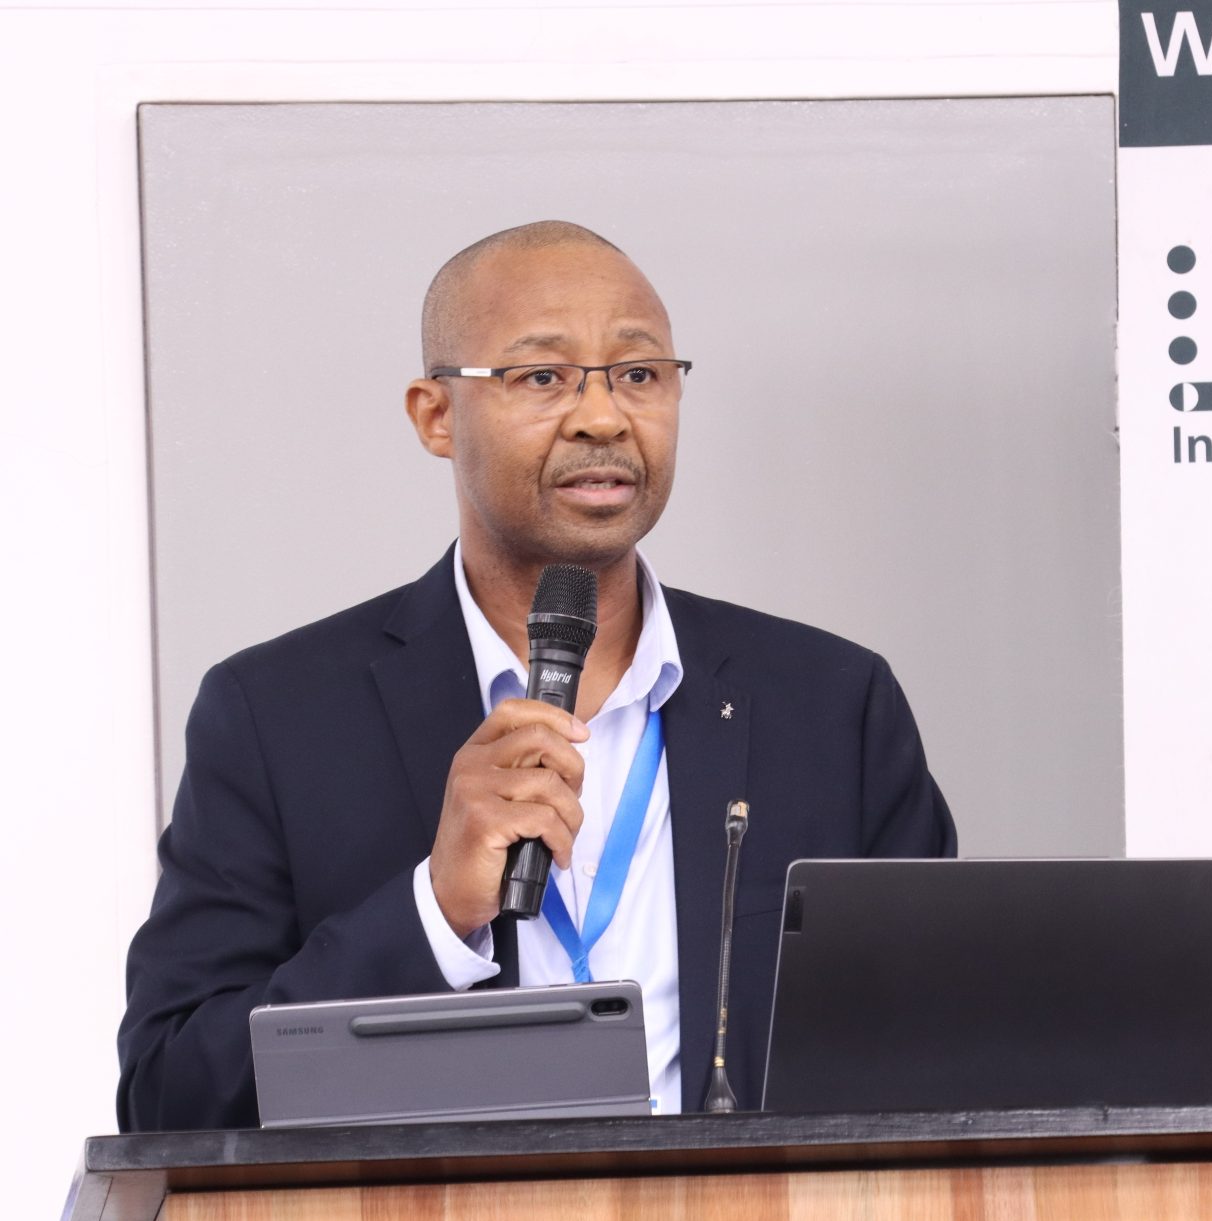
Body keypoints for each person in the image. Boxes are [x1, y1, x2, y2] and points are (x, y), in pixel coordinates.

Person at [117, 221, 955, 1131]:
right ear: (436, 415)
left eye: (639, 374)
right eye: (543, 377)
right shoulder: (278, 717)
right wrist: (433, 913)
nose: (603, 417)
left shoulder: (831, 705)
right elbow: (172, 1094)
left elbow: (945, 1054)